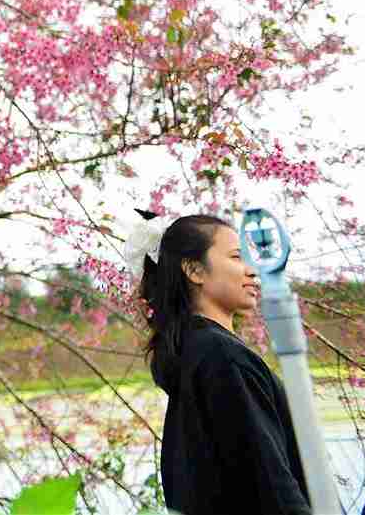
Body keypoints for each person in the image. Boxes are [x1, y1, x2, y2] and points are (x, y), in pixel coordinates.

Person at [128, 210, 311, 515]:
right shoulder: (221, 356)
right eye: (238, 257)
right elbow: (268, 478)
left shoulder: (194, 351)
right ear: (195, 271)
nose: (252, 270)